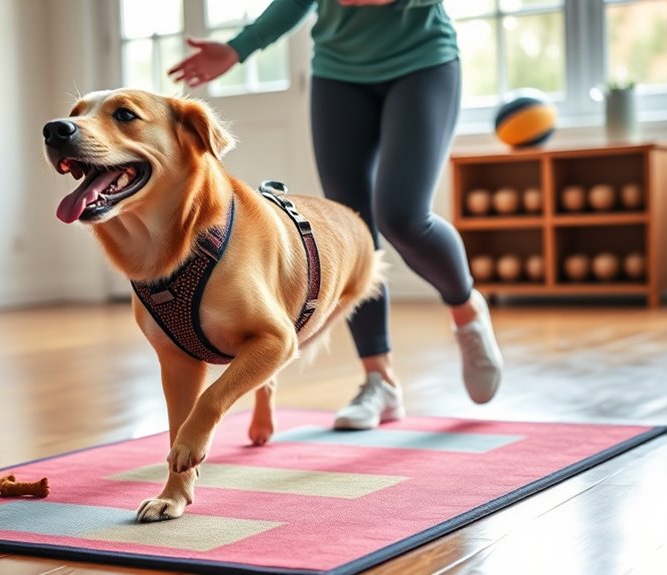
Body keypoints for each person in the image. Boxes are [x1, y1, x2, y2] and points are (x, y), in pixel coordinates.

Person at [168, 0, 503, 430]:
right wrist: (239, 48)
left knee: (403, 216)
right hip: (338, 73)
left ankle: (466, 309)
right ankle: (380, 380)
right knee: (353, 231)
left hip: (422, 62)